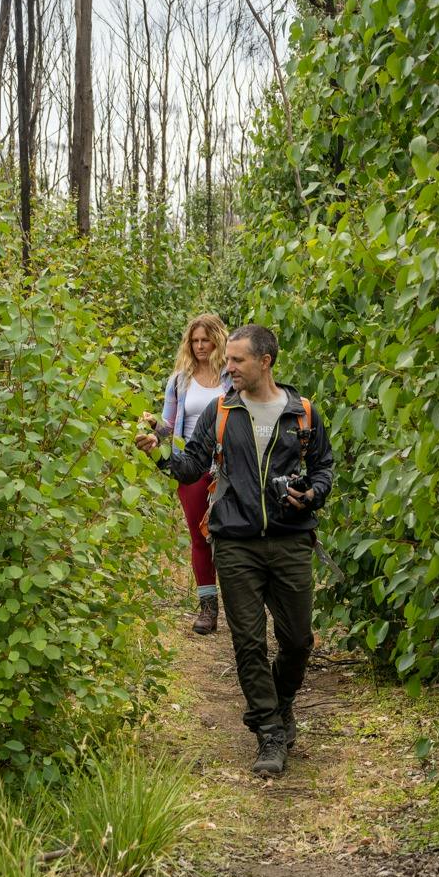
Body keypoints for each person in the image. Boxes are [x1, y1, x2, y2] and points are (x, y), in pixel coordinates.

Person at [138, 324, 332, 776]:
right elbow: (190, 469)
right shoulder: (221, 413)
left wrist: (311, 494)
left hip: (289, 539)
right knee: (247, 642)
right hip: (235, 542)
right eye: (228, 361)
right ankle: (268, 732)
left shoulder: (303, 413)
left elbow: (323, 466)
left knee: (298, 641)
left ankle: (281, 704)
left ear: (265, 362)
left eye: (237, 361)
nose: (229, 368)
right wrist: (159, 452)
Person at [157, 314, 231, 636]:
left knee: (232, 534)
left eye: (206, 340)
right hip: (193, 464)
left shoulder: (232, 376)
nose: (200, 346)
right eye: (195, 341)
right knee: (200, 535)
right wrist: (153, 438)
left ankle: (242, 603)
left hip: (230, 463)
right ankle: (208, 607)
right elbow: (168, 425)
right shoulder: (180, 381)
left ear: (218, 340)